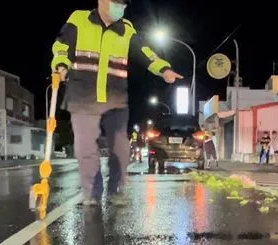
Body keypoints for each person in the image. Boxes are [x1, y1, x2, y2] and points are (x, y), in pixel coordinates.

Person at [51, 0, 183, 206]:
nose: (120, 7)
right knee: (85, 148)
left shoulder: (126, 30)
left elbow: (146, 52)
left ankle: (116, 188)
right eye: (117, 2)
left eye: (123, 4)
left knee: (120, 146)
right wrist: (61, 65)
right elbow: (62, 46)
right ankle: (92, 192)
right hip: (83, 94)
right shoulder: (79, 19)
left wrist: (163, 69)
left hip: (114, 95)